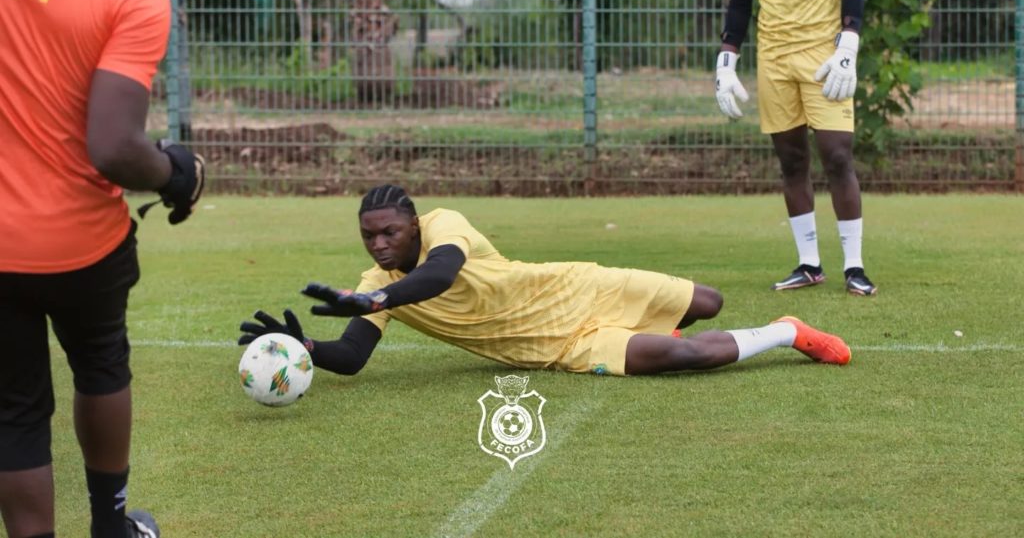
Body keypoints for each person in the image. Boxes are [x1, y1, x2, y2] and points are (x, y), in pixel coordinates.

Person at [0, 0, 205, 537]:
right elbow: (114, 147)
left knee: (15, 411)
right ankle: (111, 524)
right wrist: (177, 174)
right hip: (81, 243)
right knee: (101, 363)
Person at [239, 185, 850, 380]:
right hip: (555, 348)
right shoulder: (374, 284)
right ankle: (785, 332)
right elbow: (351, 356)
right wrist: (304, 350)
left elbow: (440, 273)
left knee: (709, 304)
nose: (379, 245)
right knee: (678, 354)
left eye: (389, 232)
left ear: (412, 222)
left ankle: (648, 321)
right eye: (369, 236)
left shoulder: (443, 226)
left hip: (571, 288)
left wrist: (375, 296)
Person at [712, 0, 877, 296]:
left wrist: (849, 43)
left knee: (837, 155)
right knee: (791, 161)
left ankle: (855, 267)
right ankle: (808, 263)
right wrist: (727, 56)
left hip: (825, 55)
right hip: (775, 58)